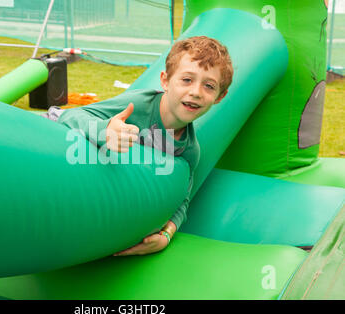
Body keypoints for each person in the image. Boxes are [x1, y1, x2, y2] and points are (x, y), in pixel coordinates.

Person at [42, 36, 233, 256]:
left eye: (209, 86)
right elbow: (74, 114)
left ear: (220, 97)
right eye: (187, 80)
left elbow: (183, 198)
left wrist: (167, 235)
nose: (196, 92)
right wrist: (105, 131)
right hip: (53, 124)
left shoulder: (189, 150)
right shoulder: (138, 106)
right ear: (165, 80)